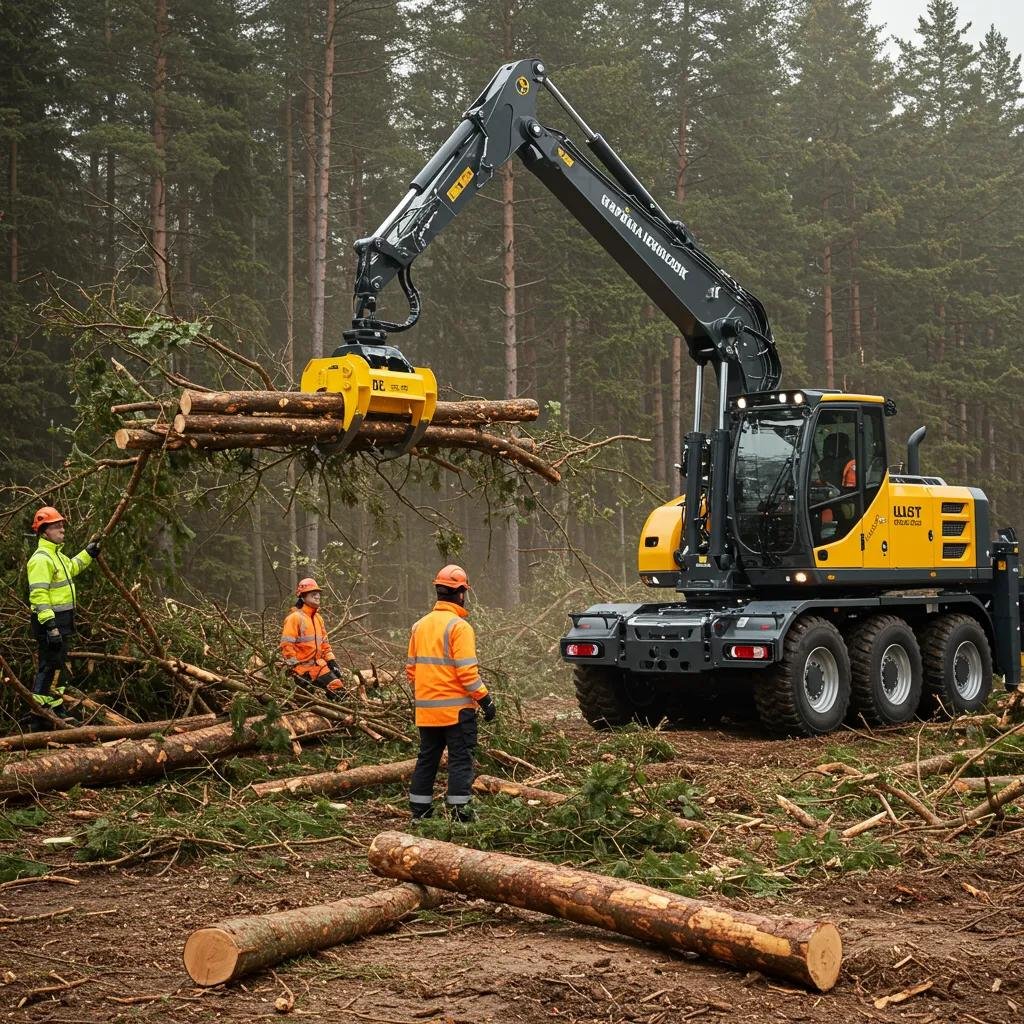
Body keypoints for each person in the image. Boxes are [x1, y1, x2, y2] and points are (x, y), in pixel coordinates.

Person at [405, 564, 496, 822]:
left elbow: (411, 671)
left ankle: (419, 814)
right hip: (457, 711)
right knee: (460, 761)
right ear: (460, 593)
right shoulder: (459, 627)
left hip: (426, 711)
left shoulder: (419, 626)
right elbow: (467, 673)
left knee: (427, 760)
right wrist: (486, 700)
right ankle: (461, 814)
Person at [26, 506, 101, 726]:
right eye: (57, 526)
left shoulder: (56, 556)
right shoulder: (41, 559)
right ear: (43, 530)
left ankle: (55, 708)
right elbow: (39, 594)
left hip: (62, 621)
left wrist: (88, 553)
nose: (62, 529)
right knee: (49, 667)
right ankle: (39, 715)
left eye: (62, 525)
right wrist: (50, 625)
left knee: (58, 667)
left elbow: (73, 566)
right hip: (50, 623)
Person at [279, 578, 346, 701]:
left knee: (340, 692)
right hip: (301, 670)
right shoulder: (295, 618)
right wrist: (296, 668)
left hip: (319, 666)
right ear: (303, 597)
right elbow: (286, 645)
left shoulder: (318, 618)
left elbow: (325, 643)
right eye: (313, 594)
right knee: (307, 701)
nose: (317, 596)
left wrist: (332, 662)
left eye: (318, 594)